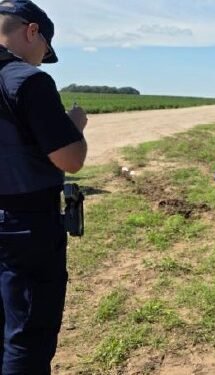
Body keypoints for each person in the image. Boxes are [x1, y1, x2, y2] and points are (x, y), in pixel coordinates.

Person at [0, 0, 88, 373]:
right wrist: (73, 126)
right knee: (28, 334)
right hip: (25, 225)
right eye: (44, 52)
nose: (41, 60)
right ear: (31, 31)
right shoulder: (27, 80)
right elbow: (71, 159)